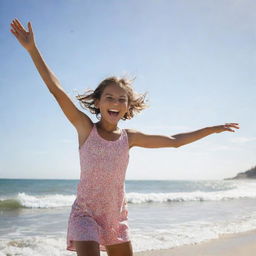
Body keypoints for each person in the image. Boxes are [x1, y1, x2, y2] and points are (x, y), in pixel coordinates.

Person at [10, 18, 240, 256]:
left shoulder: (129, 138)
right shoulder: (86, 129)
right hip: (85, 215)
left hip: (115, 217)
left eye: (122, 100)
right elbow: (56, 91)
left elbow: (174, 141)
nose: (115, 103)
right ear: (98, 102)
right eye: (109, 97)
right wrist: (32, 49)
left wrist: (212, 129)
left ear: (128, 108)